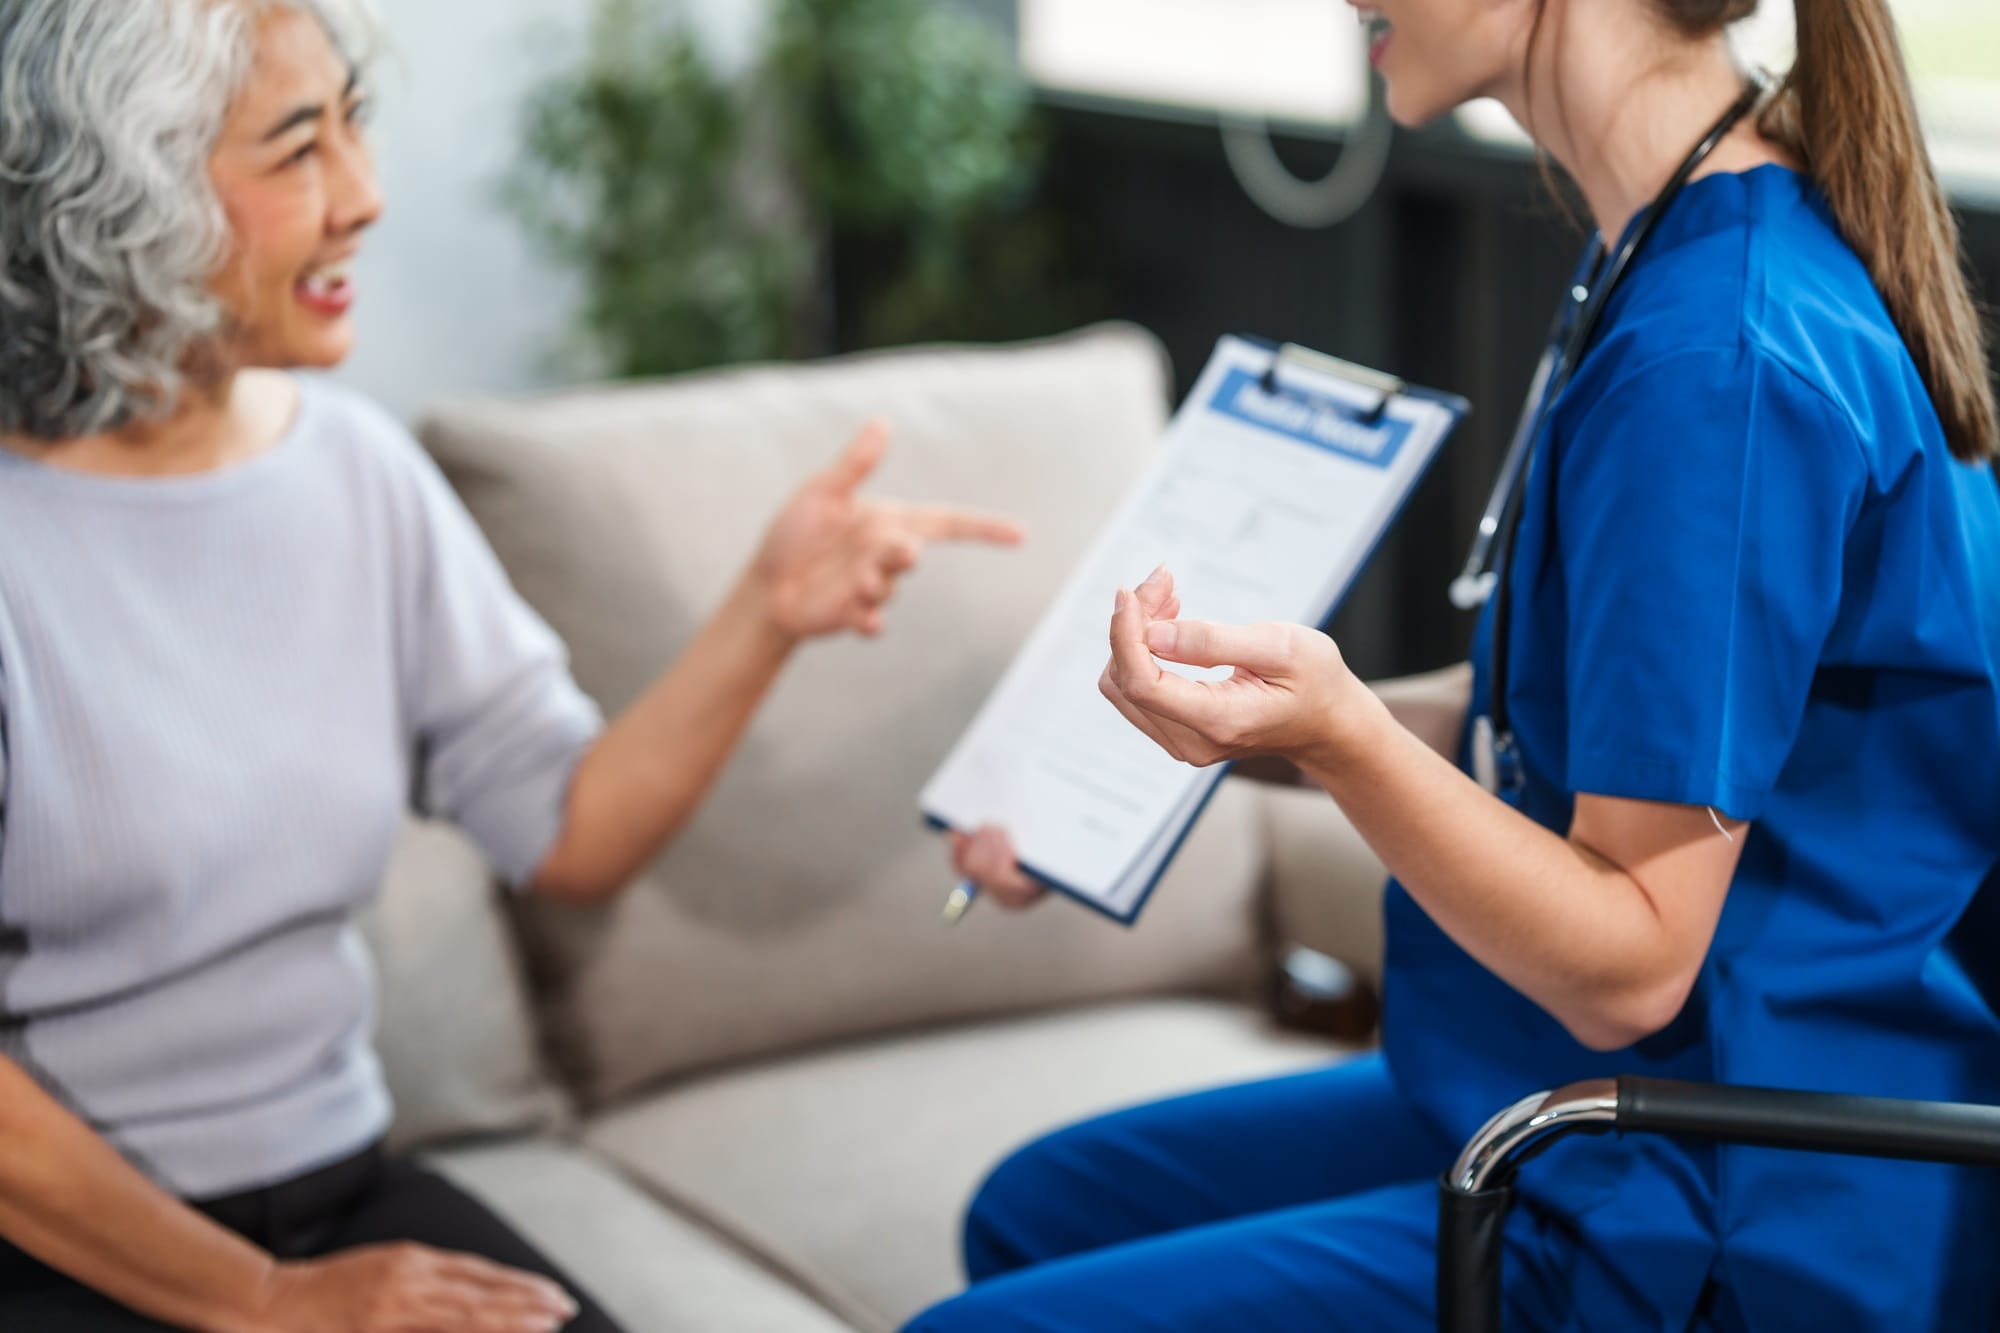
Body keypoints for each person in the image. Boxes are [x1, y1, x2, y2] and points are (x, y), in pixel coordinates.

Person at [920, 0, 2000, 1328]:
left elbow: (1632, 962)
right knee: (1032, 1208)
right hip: (1599, 1100)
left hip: (1709, 1201)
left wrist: (1334, 733)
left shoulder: (1715, 358)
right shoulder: (1667, 239)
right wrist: (1228, 727)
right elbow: (1542, 727)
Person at [0, 2, 1022, 1330]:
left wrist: (766, 614)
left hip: (342, 1190)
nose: (365, 196)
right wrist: (261, 1297)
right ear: (115, 204)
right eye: (297, 148)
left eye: (355, 125)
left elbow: (568, 831)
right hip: (61, 1246)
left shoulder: (357, 476)